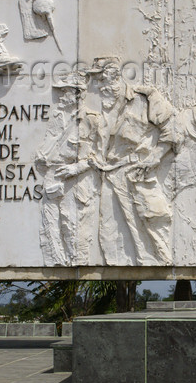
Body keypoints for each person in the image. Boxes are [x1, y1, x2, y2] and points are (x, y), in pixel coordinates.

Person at [87, 58, 175, 265]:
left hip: (136, 174)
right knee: (109, 235)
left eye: (101, 80)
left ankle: (157, 261)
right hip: (110, 174)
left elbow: (172, 132)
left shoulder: (145, 99)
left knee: (150, 230)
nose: (98, 87)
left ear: (114, 77)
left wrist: (154, 158)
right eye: (96, 82)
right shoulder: (101, 110)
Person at [37, 75, 101, 265]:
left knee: (72, 226)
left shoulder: (91, 120)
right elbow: (48, 144)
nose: (62, 96)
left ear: (77, 94)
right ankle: (56, 261)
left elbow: (100, 156)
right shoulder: (58, 117)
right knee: (49, 224)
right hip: (52, 176)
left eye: (66, 92)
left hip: (76, 181)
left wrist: (75, 168)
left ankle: (75, 261)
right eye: (62, 92)